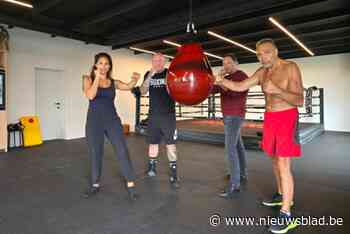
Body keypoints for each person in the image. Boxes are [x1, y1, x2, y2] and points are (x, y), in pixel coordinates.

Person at [215, 39, 304, 233]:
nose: (262, 57)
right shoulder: (262, 72)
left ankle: (286, 214)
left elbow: (300, 99)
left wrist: (277, 91)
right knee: (273, 159)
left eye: (266, 53)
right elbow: (240, 86)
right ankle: (281, 194)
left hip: (286, 116)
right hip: (270, 118)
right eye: (259, 54)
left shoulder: (290, 68)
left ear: (275, 51)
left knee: (283, 163)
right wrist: (222, 81)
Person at [83, 52, 140, 200]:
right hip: (94, 122)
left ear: (109, 66)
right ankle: (95, 184)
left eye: (106, 64)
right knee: (96, 152)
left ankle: (131, 184)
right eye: (100, 63)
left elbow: (128, 86)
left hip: (112, 120)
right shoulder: (87, 79)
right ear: (95, 65)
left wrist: (134, 80)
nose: (103, 66)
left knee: (121, 150)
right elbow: (90, 95)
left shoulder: (113, 82)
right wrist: (97, 79)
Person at [132, 53, 179, 188]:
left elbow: (176, 91)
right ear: (152, 62)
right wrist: (149, 77)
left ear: (164, 62)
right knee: (153, 143)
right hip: (153, 116)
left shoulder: (170, 74)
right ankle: (152, 168)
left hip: (168, 116)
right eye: (155, 61)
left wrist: (168, 84)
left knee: (171, 145)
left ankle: (174, 174)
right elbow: (142, 91)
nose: (157, 63)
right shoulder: (149, 73)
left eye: (160, 60)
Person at [212, 55, 248, 198]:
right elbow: (212, 90)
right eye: (224, 63)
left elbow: (234, 93)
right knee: (238, 145)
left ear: (236, 62)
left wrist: (221, 82)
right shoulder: (225, 77)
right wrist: (217, 79)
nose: (226, 65)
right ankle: (242, 173)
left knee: (230, 148)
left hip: (235, 116)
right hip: (228, 115)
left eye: (229, 62)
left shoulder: (241, 76)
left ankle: (235, 183)